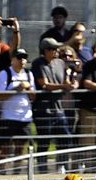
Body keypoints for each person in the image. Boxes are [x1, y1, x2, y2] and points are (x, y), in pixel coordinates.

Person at [32, 37, 77, 172]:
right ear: (45, 50)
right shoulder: (38, 63)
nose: (56, 51)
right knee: (44, 141)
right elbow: (44, 84)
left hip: (58, 108)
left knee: (65, 138)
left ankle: (61, 165)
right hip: (43, 109)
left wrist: (72, 83)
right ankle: (42, 169)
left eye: (56, 48)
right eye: (52, 49)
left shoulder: (60, 63)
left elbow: (66, 81)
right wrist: (64, 86)